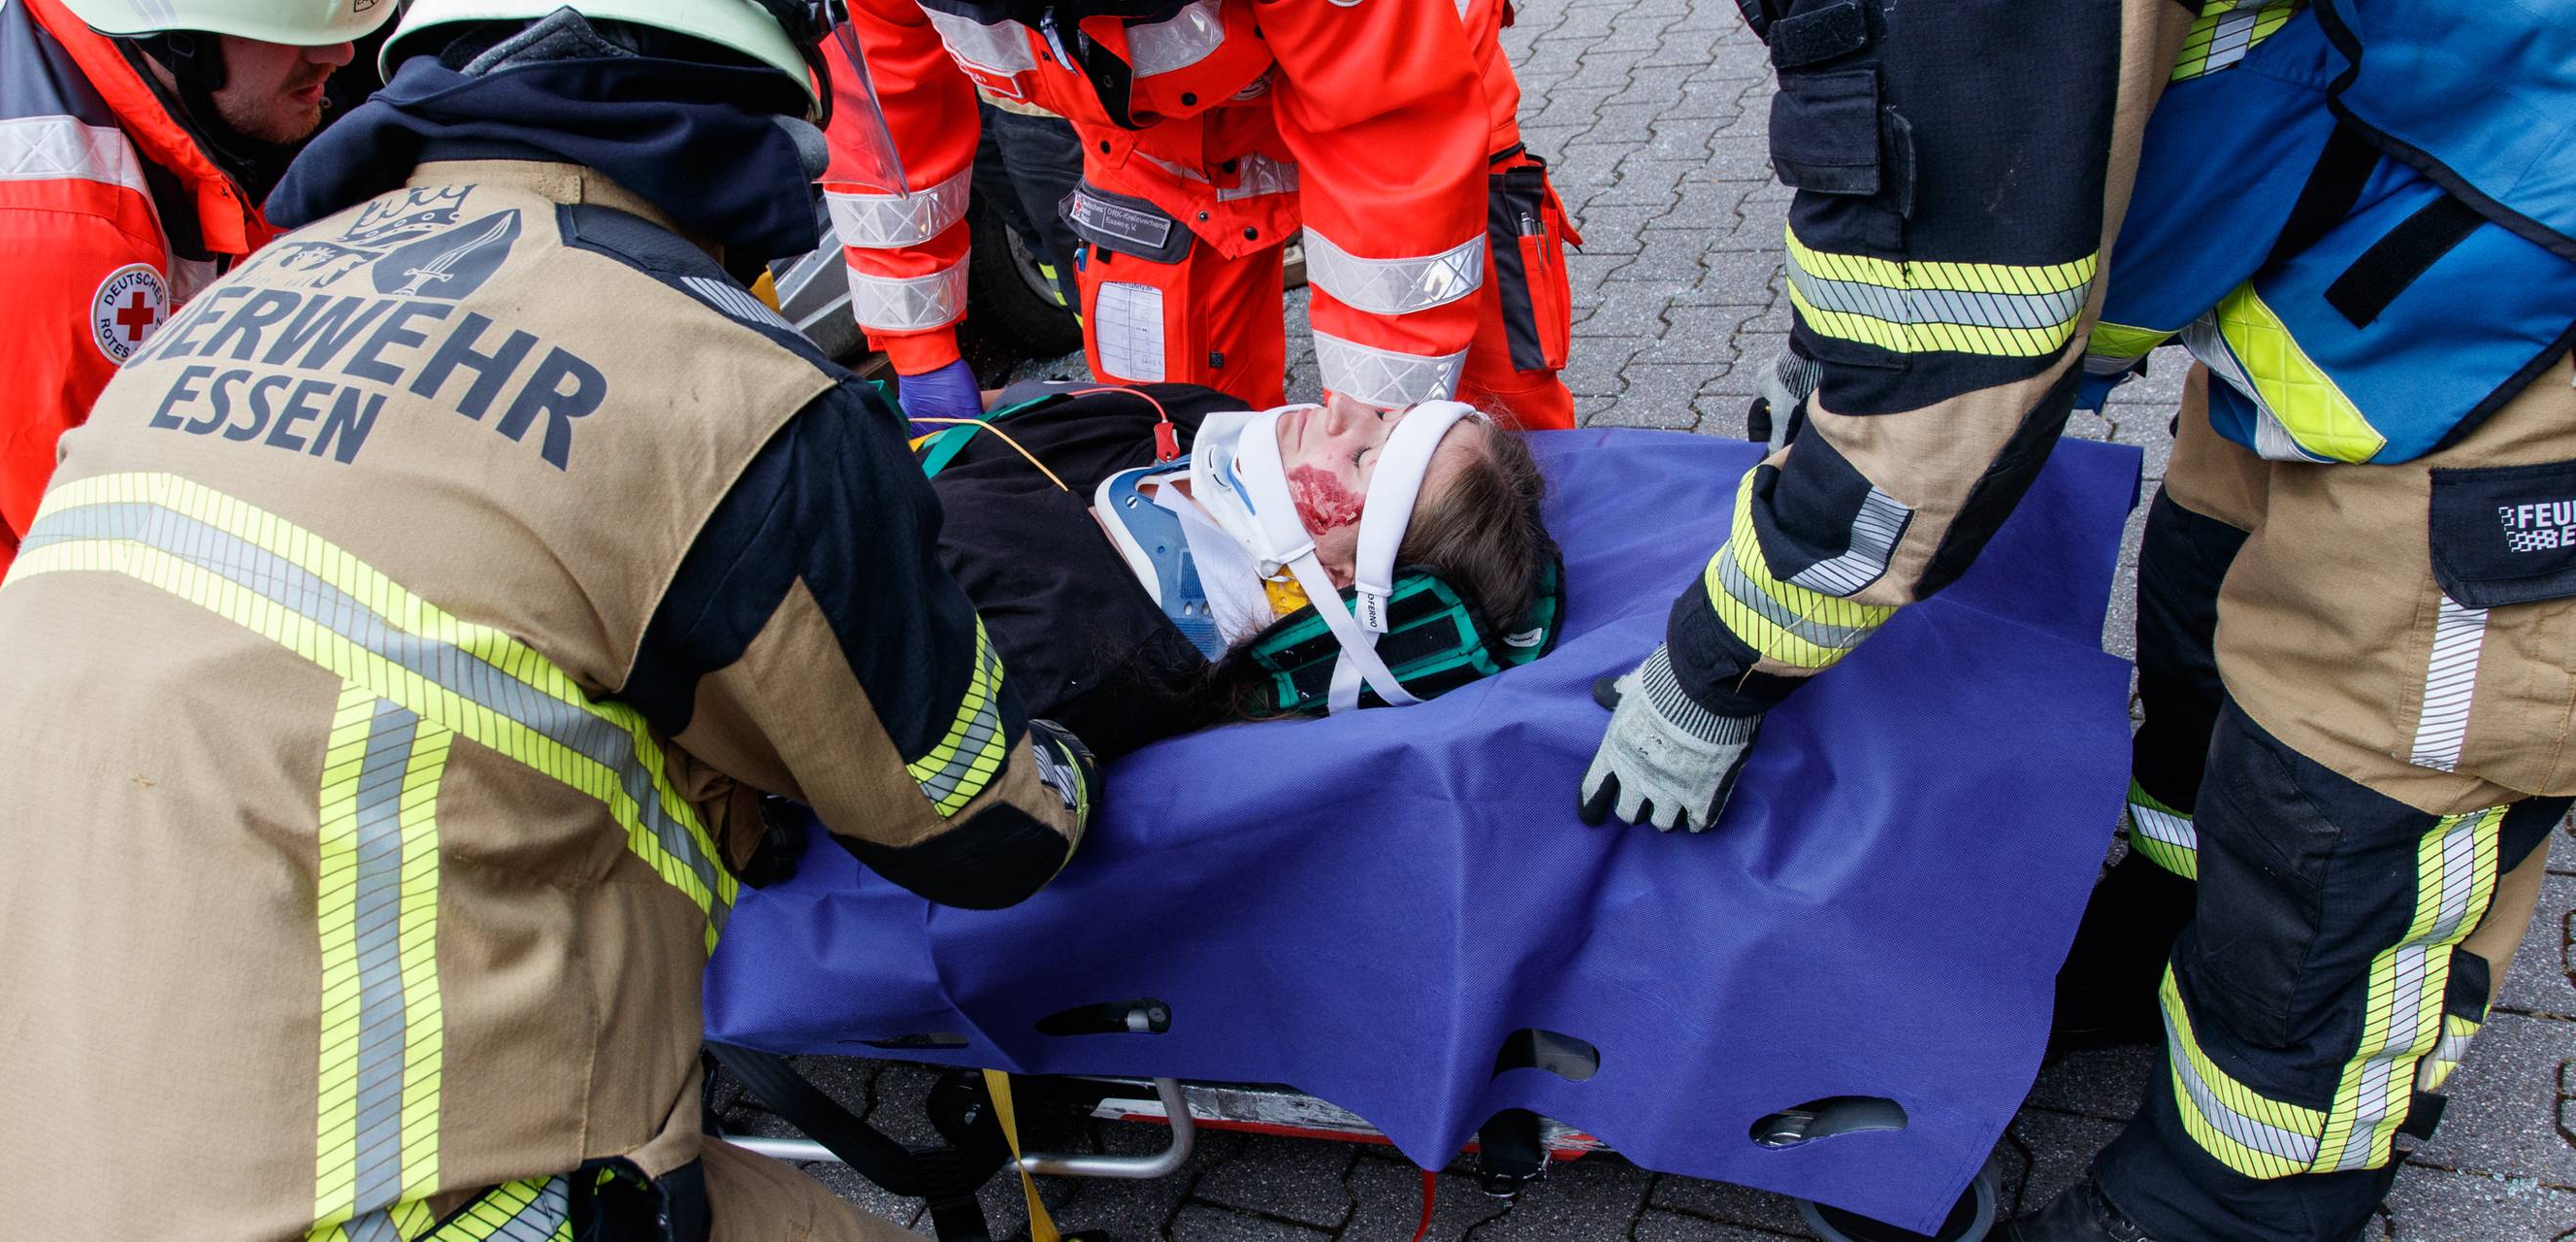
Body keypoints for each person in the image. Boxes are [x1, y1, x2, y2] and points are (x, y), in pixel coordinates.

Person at [0, 0, 1097, 1236]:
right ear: (754, 129)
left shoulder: (215, 304)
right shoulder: (734, 387)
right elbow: (972, 833)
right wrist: (1078, 767)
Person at [1572, 2, 2576, 1238]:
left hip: (2522, 296)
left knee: (2350, 774)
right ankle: (2179, 933)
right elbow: (2018, 170)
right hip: (2386, 212)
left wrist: (1716, 666)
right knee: (2207, 605)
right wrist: (1847, 351)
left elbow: (1945, 371)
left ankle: (2245, 1192)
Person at [0, 0, 386, 1205]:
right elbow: (113, 551)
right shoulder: (51, 224)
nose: (338, 52)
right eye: (297, 31)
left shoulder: (70, 58)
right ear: (177, 40)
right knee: (122, 763)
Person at [826, 0, 1581, 434]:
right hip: (1151, 145)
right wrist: (921, 355)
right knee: (1167, 441)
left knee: (1479, 445)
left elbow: (1390, 140)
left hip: (1408, 81)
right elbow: (888, 144)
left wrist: (1376, 434)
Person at [926, 383, 1558, 758]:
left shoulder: (1074, 654)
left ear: (1341, 579)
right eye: (1391, 415)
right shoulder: (1194, 419)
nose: (1344, 406)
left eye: (1366, 459)